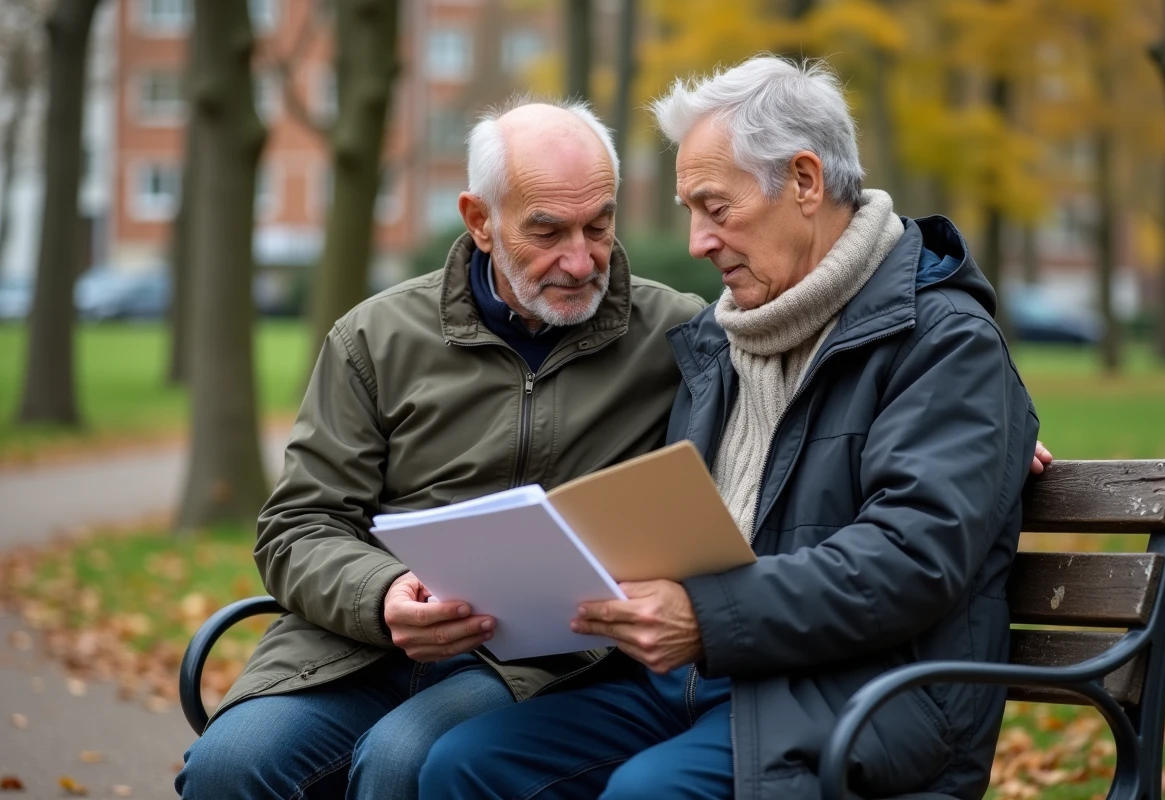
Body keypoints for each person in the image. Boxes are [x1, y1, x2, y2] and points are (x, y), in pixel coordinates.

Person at [419, 56, 1043, 800]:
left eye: (715, 207)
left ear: (806, 183)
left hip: (862, 695)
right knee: (466, 765)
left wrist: (707, 619)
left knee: (649, 793)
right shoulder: (720, 341)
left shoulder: (943, 343)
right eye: (689, 211)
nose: (697, 242)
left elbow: (912, 558)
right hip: (702, 679)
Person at [175, 99, 709, 799]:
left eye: (599, 226)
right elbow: (296, 528)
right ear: (479, 220)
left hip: (547, 663)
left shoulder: (678, 337)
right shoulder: (375, 337)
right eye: (546, 231)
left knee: (405, 760)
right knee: (228, 767)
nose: (581, 261)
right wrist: (384, 595)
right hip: (355, 650)